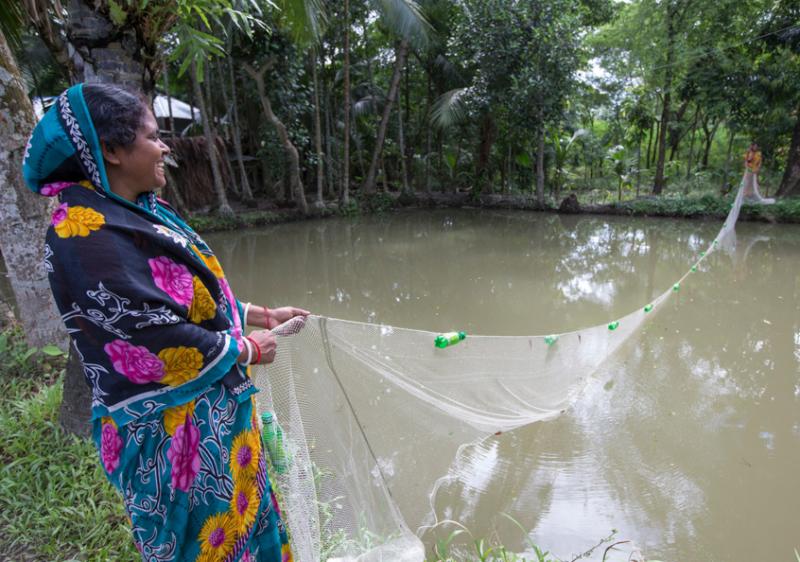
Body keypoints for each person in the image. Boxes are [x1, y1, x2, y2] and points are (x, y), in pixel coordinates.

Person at [22, 83, 309, 562]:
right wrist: (247, 349)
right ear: (112, 150)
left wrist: (259, 315)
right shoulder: (82, 232)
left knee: (245, 522)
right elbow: (150, 332)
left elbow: (183, 296)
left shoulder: (141, 210)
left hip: (218, 415)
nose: (164, 146)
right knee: (205, 542)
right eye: (153, 137)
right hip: (171, 435)